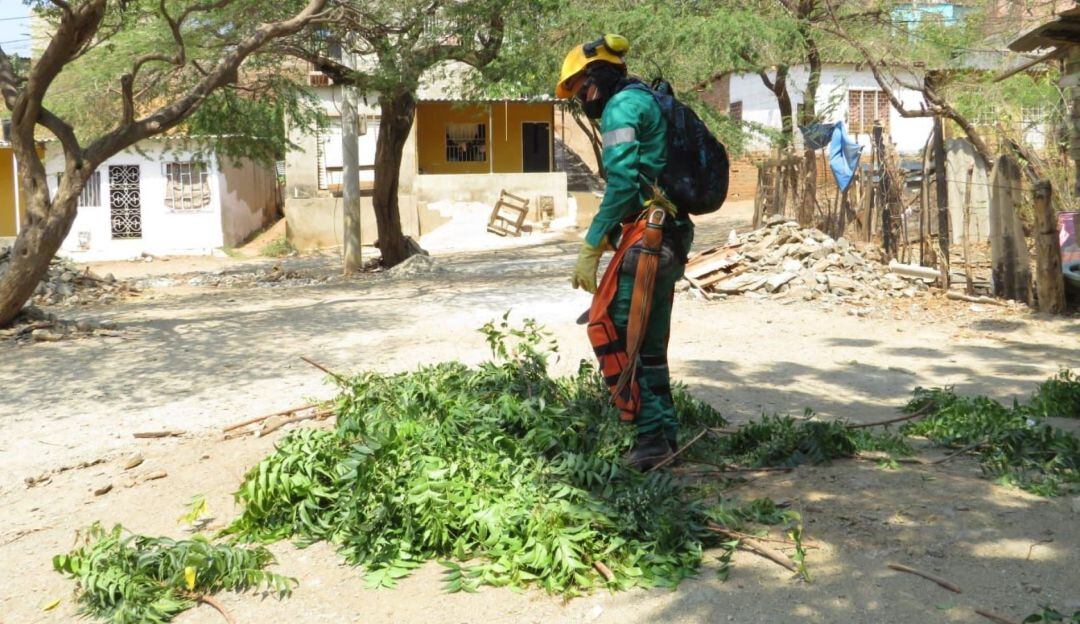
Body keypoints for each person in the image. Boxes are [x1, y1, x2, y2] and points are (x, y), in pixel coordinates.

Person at [555, 35, 693, 471]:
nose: (582, 101)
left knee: (611, 331)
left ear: (598, 77)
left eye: (581, 90)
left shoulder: (621, 108)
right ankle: (664, 436)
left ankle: (649, 436)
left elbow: (621, 184)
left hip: (648, 241)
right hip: (669, 235)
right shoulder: (647, 100)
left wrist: (592, 244)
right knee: (649, 343)